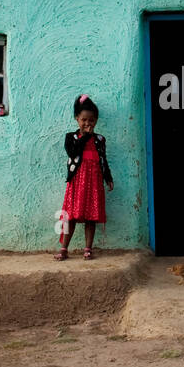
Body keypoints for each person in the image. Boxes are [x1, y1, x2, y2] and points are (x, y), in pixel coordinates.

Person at [54, 94, 114, 260]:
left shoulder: (100, 140)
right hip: (77, 182)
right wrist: (86, 136)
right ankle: (64, 248)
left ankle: (88, 248)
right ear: (77, 119)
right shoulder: (71, 138)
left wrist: (108, 177)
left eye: (92, 120)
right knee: (70, 216)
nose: (88, 123)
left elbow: (103, 160)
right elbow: (73, 152)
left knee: (91, 217)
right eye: (84, 120)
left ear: (96, 121)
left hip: (94, 183)